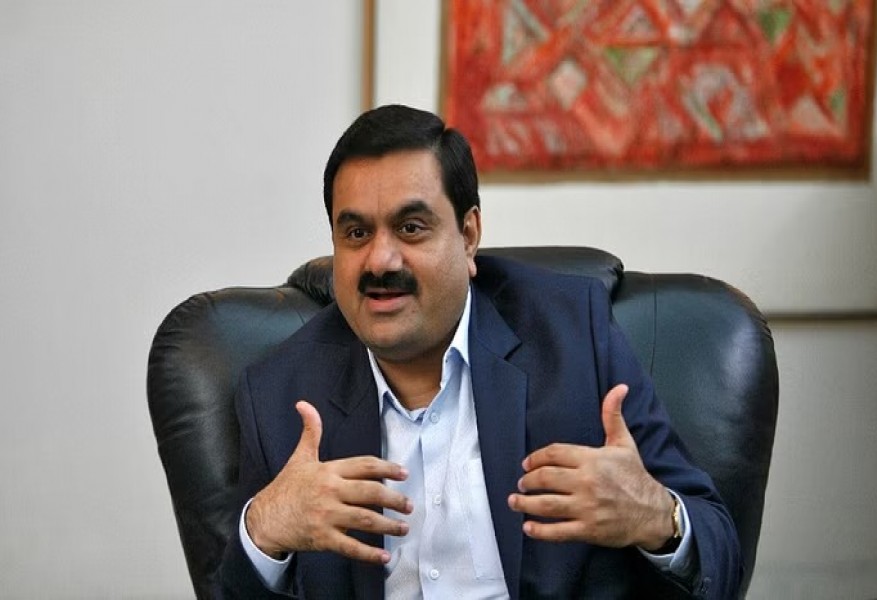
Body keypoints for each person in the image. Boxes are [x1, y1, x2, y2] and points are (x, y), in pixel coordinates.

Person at [216, 104, 741, 599]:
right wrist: (265, 530)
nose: (379, 260)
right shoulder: (280, 392)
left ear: (468, 236)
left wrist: (655, 516)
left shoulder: (574, 337)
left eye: (410, 228)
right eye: (356, 233)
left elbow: (721, 555)